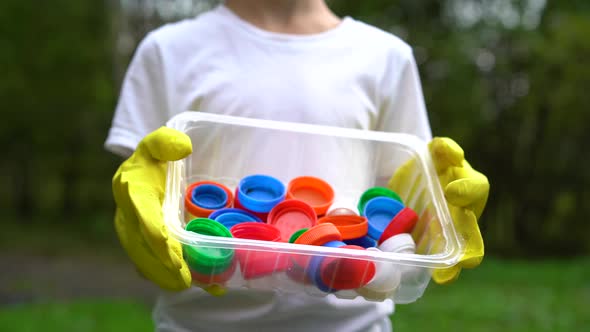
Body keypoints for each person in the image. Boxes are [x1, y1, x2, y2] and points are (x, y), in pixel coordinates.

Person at [106, 1, 489, 331]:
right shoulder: (167, 51)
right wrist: (134, 225)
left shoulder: (387, 57)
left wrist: (435, 215)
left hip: (351, 325)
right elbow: (148, 225)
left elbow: (401, 216)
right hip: (198, 323)